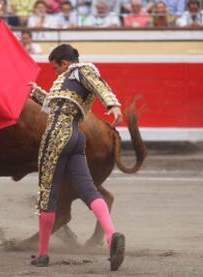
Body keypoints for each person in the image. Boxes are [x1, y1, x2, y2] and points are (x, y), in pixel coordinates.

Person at [29, 44, 125, 270]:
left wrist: (114, 105)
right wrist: (35, 92)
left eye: (55, 68)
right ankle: (111, 237)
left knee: (47, 196)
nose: (55, 73)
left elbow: (99, 84)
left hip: (56, 136)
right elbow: (55, 106)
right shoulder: (69, 83)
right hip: (75, 137)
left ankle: (42, 254)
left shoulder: (81, 70)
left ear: (65, 63)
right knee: (88, 189)